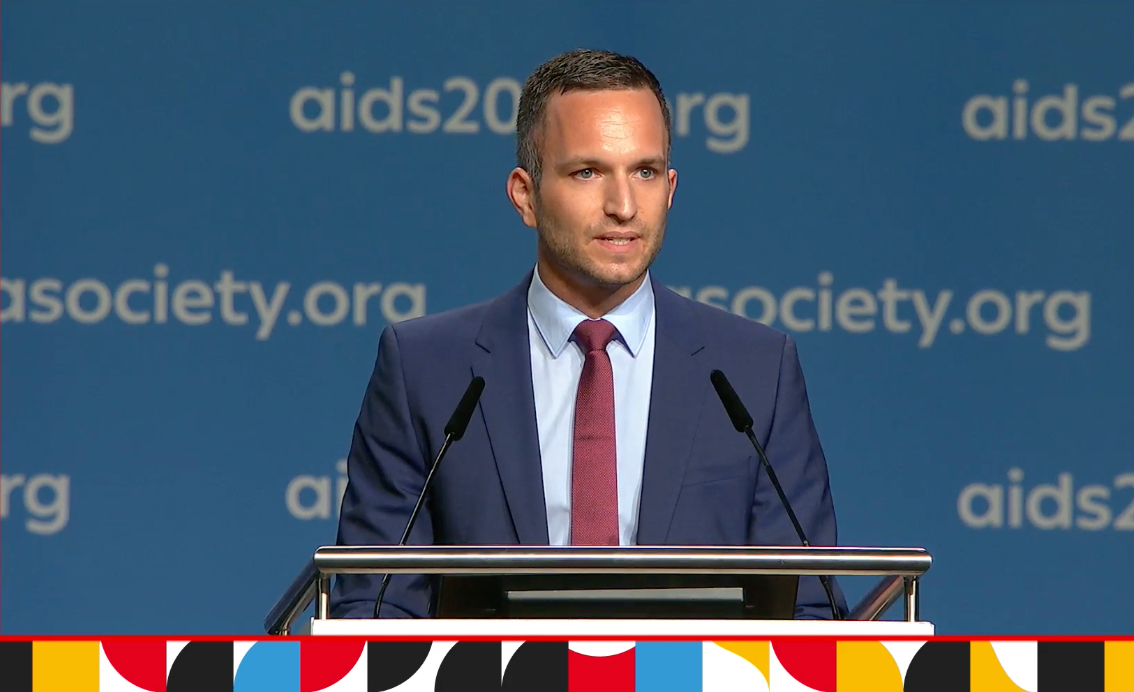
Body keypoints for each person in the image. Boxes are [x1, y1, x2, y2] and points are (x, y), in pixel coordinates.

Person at [330, 48, 845, 619]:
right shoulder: (424, 369)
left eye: (645, 172)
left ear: (670, 188)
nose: (623, 206)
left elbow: (810, 612)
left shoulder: (757, 370)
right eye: (587, 172)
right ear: (526, 195)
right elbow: (374, 608)